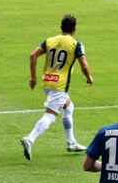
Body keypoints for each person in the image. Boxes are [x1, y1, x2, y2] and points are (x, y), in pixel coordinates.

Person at [20, 13, 93, 160]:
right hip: (59, 86)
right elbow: (84, 64)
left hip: (47, 81)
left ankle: (71, 143)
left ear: (61, 27)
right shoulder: (75, 44)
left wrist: (33, 78)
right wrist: (89, 77)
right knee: (50, 115)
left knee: (69, 106)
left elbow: (33, 56)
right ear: (74, 29)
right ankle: (30, 139)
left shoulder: (50, 40)